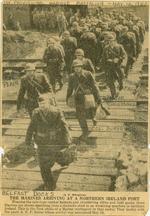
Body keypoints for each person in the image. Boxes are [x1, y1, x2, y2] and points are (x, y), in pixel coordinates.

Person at [25, 95, 72, 190]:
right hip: (41, 142)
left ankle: (64, 161)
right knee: (43, 164)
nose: (42, 106)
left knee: (57, 156)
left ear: (49, 103)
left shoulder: (57, 111)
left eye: (44, 103)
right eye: (40, 104)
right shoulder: (35, 113)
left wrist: (67, 141)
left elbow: (64, 126)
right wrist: (28, 140)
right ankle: (50, 184)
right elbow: (31, 127)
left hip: (55, 141)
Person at [66, 59, 102, 141]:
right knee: (80, 115)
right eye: (75, 67)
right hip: (78, 97)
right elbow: (70, 88)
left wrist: (98, 97)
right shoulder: (72, 76)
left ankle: (94, 118)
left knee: (91, 111)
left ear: (81, 67)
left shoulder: (88, 74)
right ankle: (85, 131)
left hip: (88, 96)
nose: (77, 69)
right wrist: (67, 98)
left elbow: (94, 85)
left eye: (78, 67)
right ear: (73, 68)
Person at [101, 33, 127, 99]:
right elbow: (103, 59)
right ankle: (113, 94)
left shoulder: (119, 46)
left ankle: (121, 85)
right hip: (109, 67)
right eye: (109, 41)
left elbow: (124, 55)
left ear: (114, 40)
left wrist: (118, 59)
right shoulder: (106, 48)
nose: (110, 42)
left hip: (118, 66)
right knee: (110, 81)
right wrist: (104, 68)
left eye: (112, 41)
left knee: (121, 78)